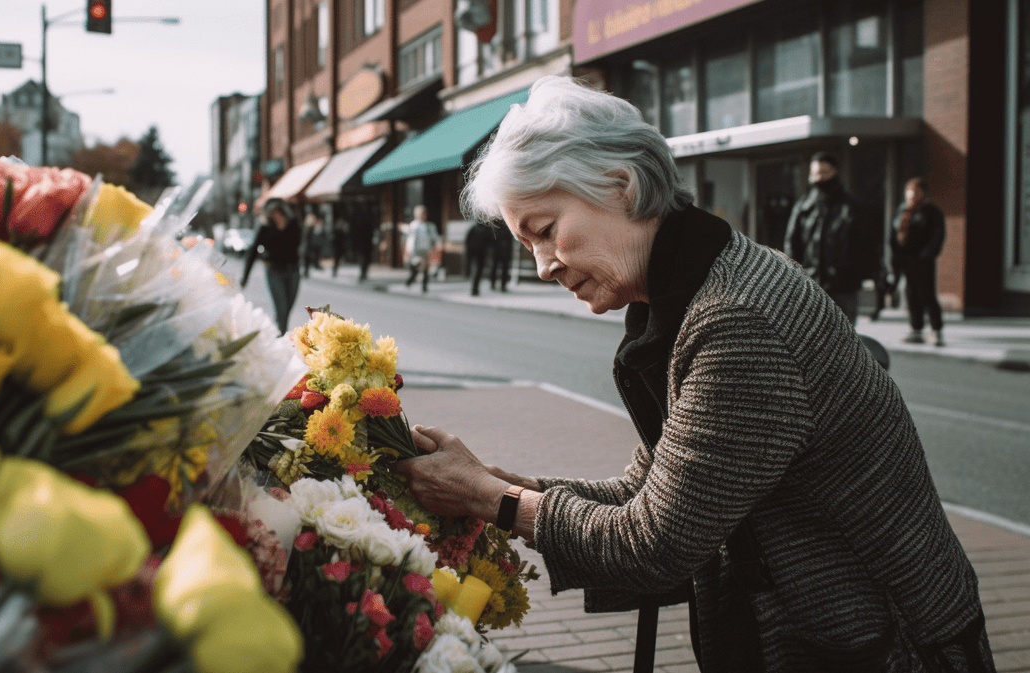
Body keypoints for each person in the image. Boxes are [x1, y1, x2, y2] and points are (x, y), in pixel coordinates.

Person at [393, 76, 993, 672]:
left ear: (621, 186)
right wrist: (491, 484)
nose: (544, 265)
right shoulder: (695, 288)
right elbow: (647, 495)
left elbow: (654, 543)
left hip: (889, 648)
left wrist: (489, 498)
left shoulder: (735, 321)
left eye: (545, 231)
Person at [783, 151, 868, 325]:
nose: (819, 178)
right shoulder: (803, 208)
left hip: (844, 284)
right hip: (810, 283)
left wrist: (862, 275)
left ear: (835, 172)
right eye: (815, 174)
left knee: (844, 337)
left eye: (824, 173)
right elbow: (791, 245)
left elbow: (867, 244)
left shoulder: (852, 207)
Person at [892, 177, 946, 346]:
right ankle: (916, 329)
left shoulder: (931, 211)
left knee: (927, 294)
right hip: (905, 259)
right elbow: (893, 233)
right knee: (911, 295)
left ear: (923, 192)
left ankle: (936, 330)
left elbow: (937, 236)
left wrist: (927, 255)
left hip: (923, 261)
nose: (911, 195)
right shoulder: (902, 210)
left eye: (915, 192)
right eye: (909, 192)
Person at [240, 198, 301, 334]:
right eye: (273, 214)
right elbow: (253, 251)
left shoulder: (293, 224)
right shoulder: (265, 227)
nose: (277, 217)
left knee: (287, 309)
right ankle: (281, 338)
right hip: (275, 272)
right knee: (282, 308)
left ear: (284, 212)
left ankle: (280, 335)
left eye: (279, 213)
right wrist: (245, 277)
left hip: (293, 271)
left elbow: (298, 245)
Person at [403, 205, 440, 293]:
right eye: (421, 214)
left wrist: (435, 247)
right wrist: (408, 252)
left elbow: (434, 238)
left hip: (425, 250)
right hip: (415, 251)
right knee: (417, 267)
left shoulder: (430, 226)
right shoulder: (413, 225)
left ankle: (424, 286)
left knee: (425, 268)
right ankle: (410, 281)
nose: (423, 216)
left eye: (424, 214)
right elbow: (410, 240)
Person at [465, 221, 494, 296]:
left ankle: (474, 289)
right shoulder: (486, 230)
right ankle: (474, 289)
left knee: (475, 271)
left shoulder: (474, 229)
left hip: (475, 253)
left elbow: (467, 241)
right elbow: (491, 243)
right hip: (480, 253)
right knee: (477, 271)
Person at [489, 224, 514, 292]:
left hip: (503, 253)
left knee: (503, 269)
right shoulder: (497, 229)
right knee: (495, 268)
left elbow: (510, 243)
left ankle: (501, 285)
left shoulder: (505, 230)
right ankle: (494, 284)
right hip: (497, 253)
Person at [301, 212, 325, 278]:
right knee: (307, 258)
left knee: (309, 257)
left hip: (311, 245)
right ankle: (306, 271)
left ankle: (311, 268)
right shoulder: (307, 228)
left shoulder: (312, 228)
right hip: (307, 246)